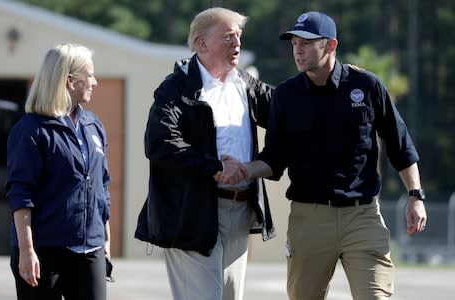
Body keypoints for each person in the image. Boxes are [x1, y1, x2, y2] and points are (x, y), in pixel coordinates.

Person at [229, 10, 428, 300]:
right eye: (295, 43)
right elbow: (274, 159)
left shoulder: (367, 87)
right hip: (309, 219)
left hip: (362, 216)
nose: (298, 50)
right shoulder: (286, 96)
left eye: (307, 43)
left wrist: (415, 195)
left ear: (331, 45)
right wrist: (246, 170)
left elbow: (400, 144)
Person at [134, 7, 275, 300]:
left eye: (238, 37)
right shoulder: (176, 88)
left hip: (238, 211)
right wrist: (212, 167)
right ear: (201, 43)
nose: (236, 43)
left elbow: (288, 110)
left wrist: (331, 80)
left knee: (229, 296)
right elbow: (161, 144)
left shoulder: (245, 85)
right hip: (192, 212)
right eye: (227, 37)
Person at [6, 43, 111, 300]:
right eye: (90, 75)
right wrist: (26, 251)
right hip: (45, 250)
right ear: (70, 80)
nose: (95, 82)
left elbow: (102, 186)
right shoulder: (31, 129)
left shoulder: (93, 125)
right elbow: (20, 195)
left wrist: (105, 242)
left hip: (91, 249)